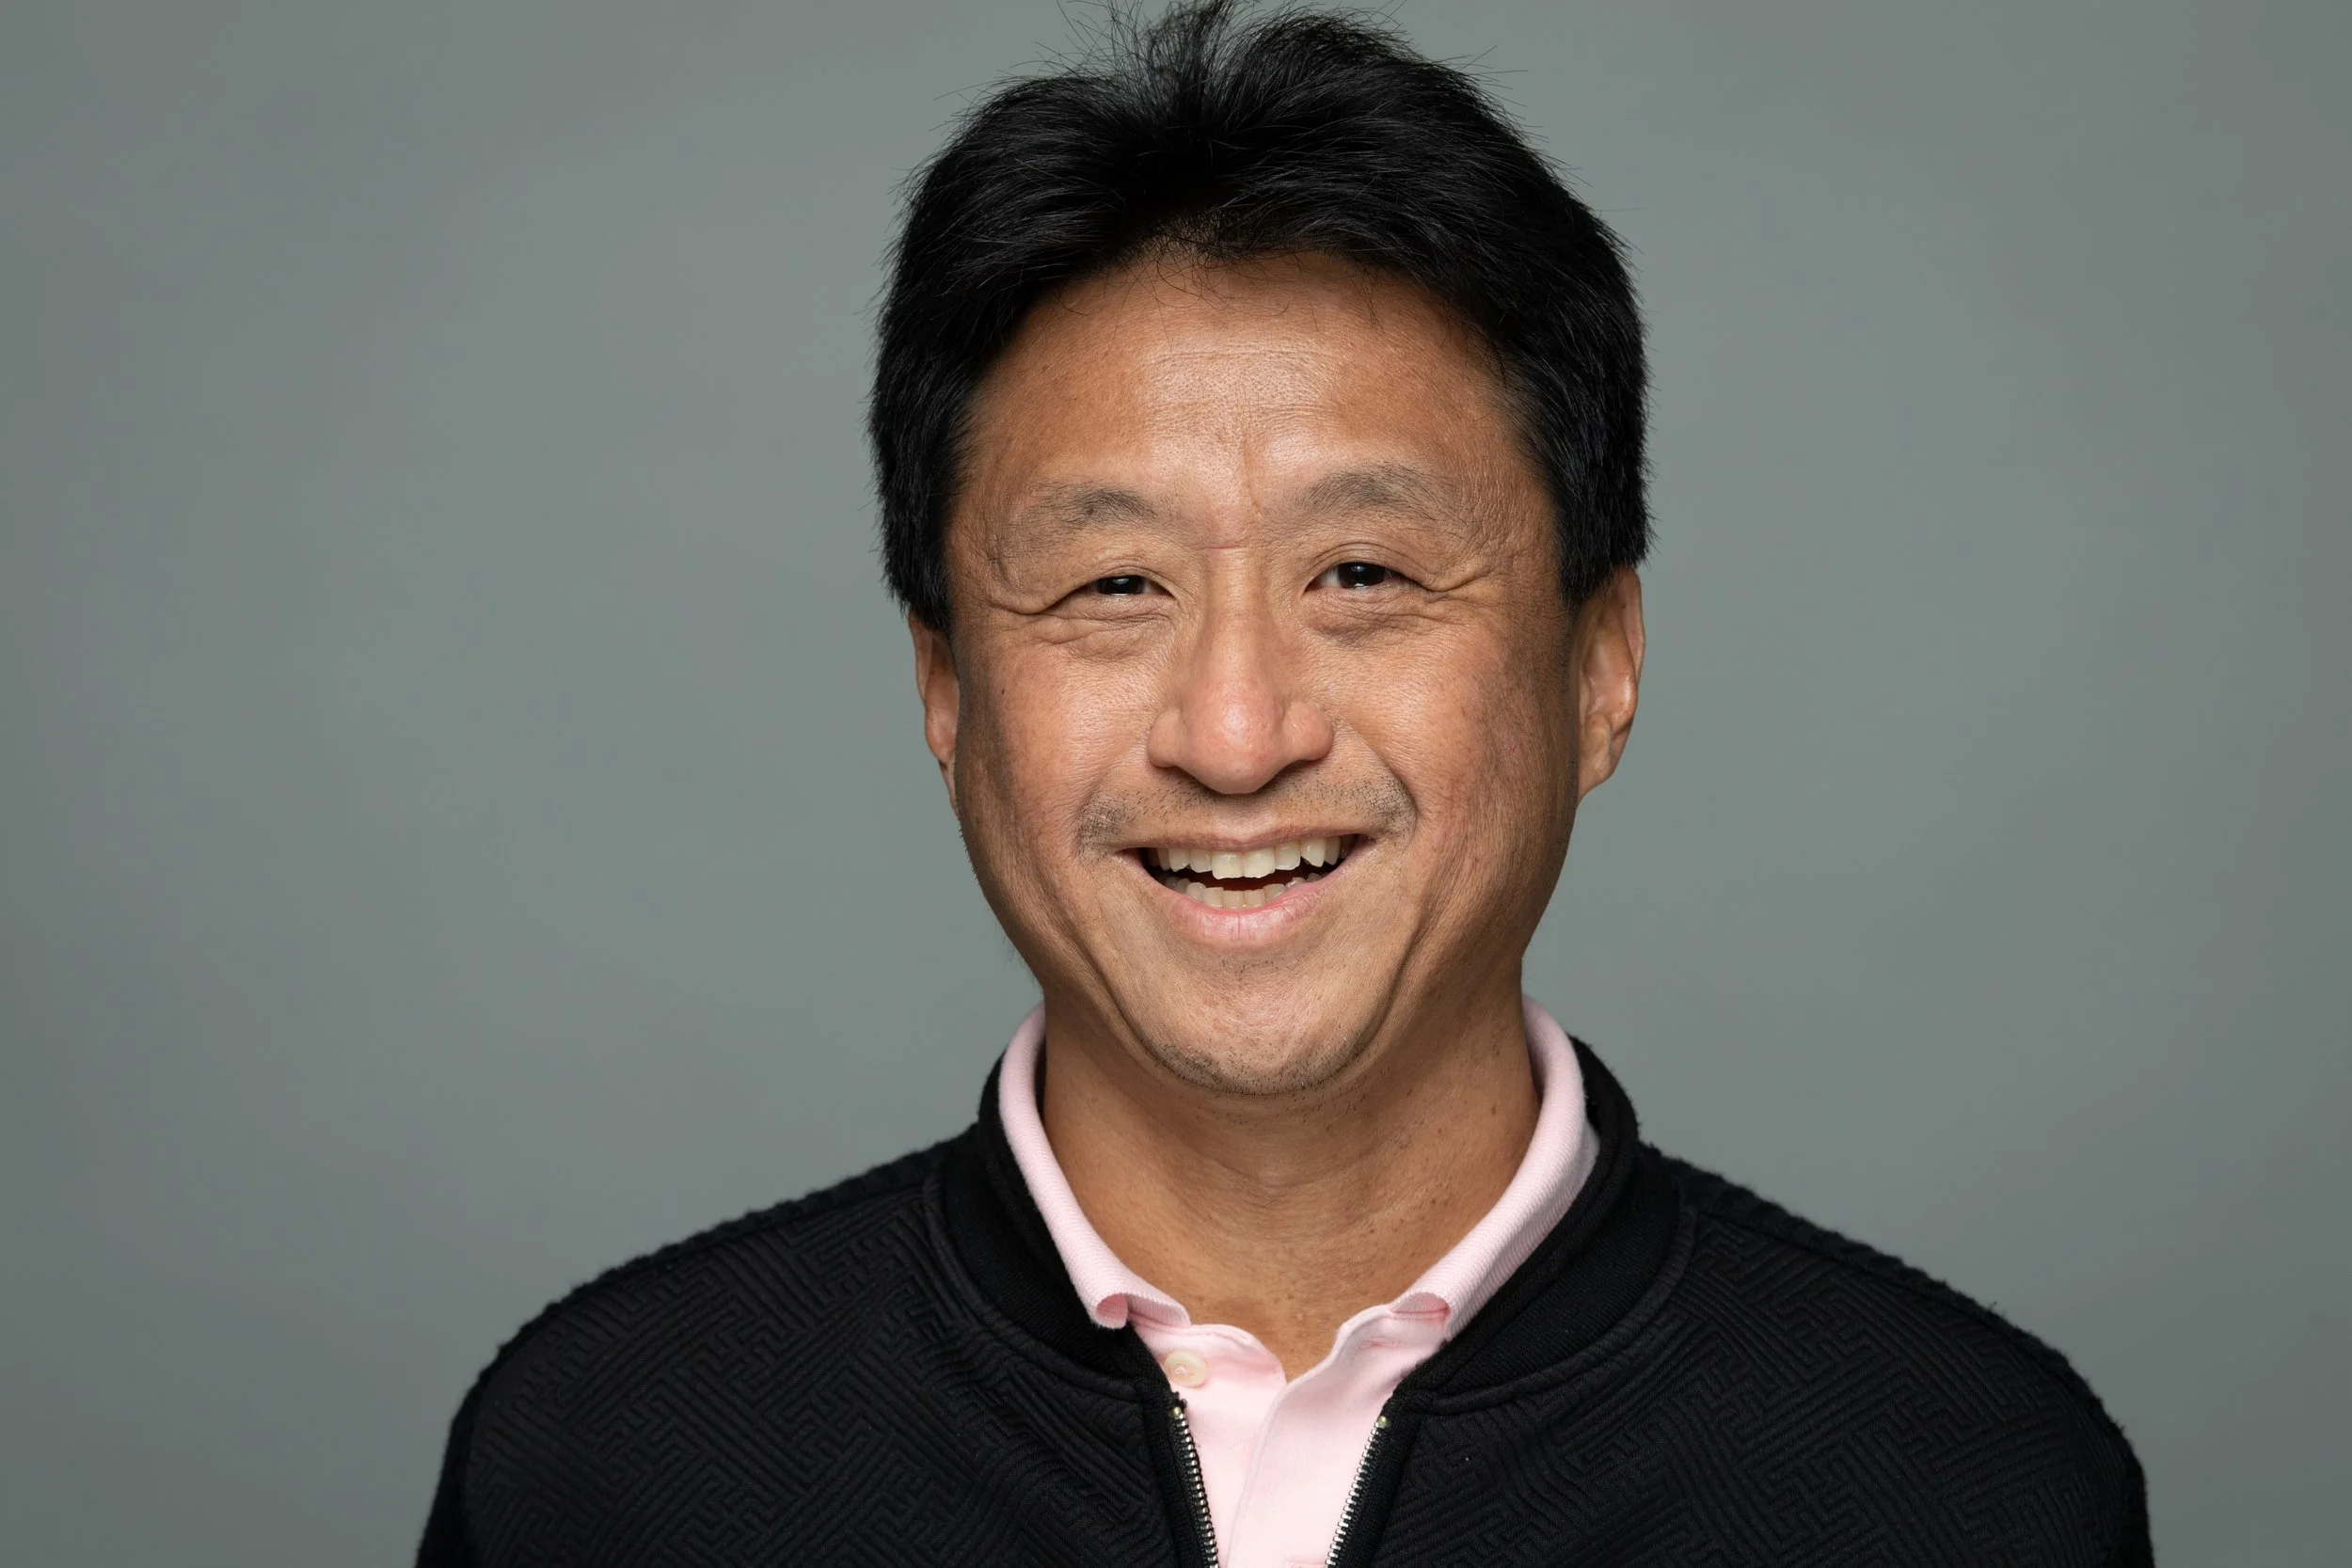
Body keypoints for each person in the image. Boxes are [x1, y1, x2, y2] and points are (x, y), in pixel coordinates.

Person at [415, 5, 2149, 1563]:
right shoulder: (610, 1465)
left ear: (1600, 664)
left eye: (1364, 575)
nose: (1236, 734)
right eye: (1113, 585)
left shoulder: (1960, 1485)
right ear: (945, 684)